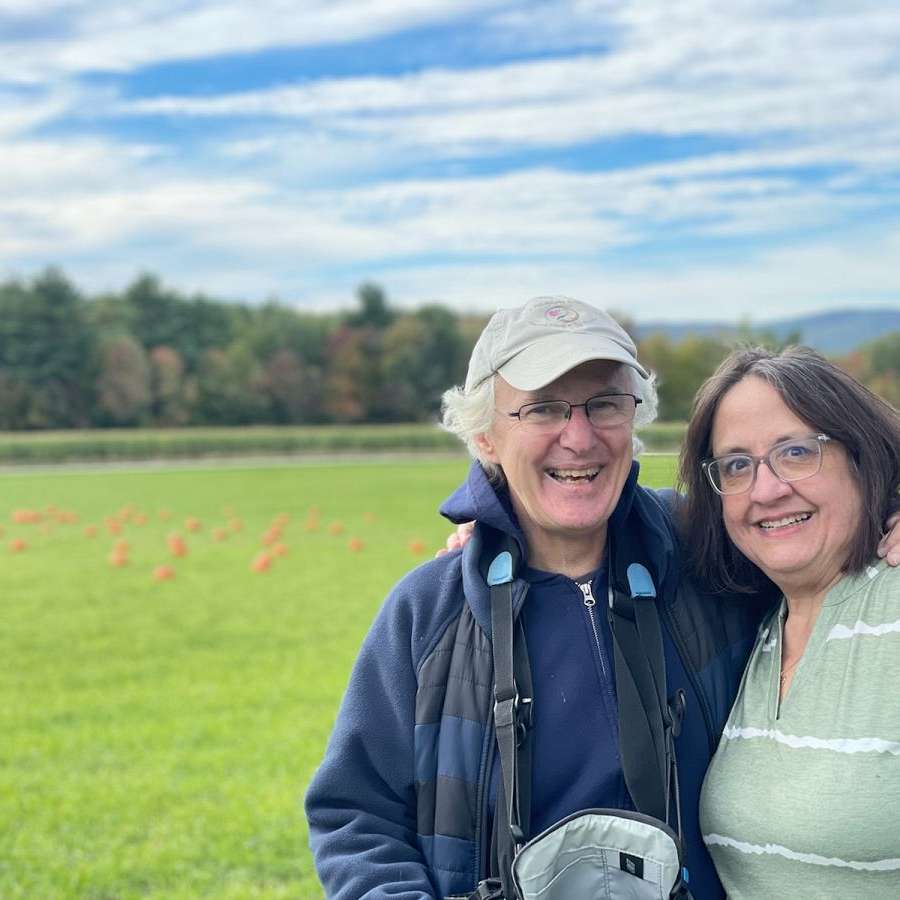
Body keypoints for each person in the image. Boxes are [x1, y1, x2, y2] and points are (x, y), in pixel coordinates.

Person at [305, 297, 900, 899]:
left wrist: (892, 499)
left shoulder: (710, 554)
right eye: (543, 409)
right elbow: (358, 816)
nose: (580, 437)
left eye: (605, 404)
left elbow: (813, 505)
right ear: (485, 436)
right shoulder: (430, 612)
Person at [674, 347, 900, 898]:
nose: (766, 490)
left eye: (796, 453)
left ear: (861, 456)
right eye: (735, 465)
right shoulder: (757, 623)